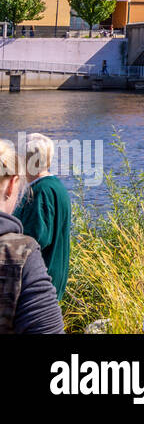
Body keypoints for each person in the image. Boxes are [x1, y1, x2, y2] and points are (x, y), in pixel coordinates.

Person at [0, 138, 63, 333]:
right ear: (12, 184)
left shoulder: (41, 190)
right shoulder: (57, 186)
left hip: (43, 271)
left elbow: (39, 236)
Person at [14, 133, 71, 303]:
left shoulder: (40, 192)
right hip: (49, 278)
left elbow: (35, 239)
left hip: (39, 281)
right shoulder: (55, 186)